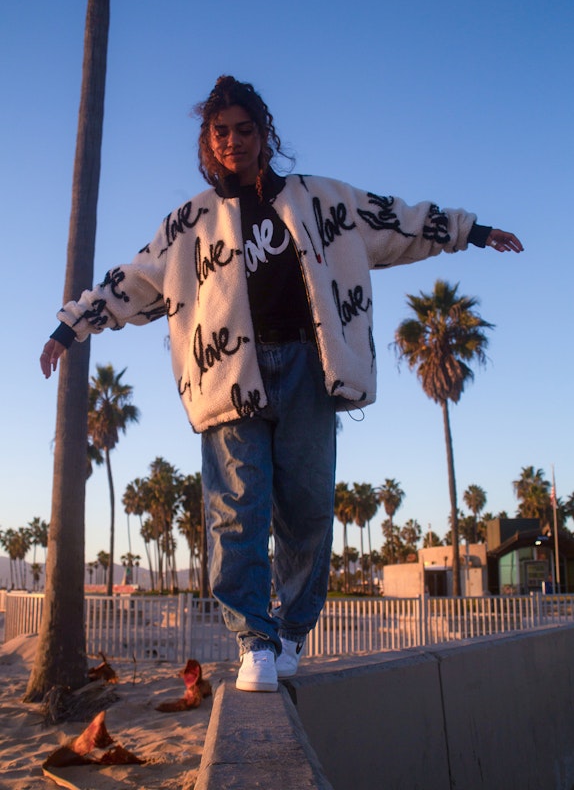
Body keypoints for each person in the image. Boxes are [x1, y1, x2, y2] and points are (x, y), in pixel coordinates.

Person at [41, 75, 523, 692]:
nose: (234, 142)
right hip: (228, 375)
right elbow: (135, 278)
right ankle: (255, 643)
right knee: (237, 510)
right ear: (209, 142)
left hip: (309, 370)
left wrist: (470, 231)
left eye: (246, 130)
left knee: (309, 507)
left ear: (264, 136)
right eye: (223, 133)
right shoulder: (191, 220)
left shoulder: (322, 199)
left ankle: (291, 633)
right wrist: (70, 326)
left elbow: (396, 220)